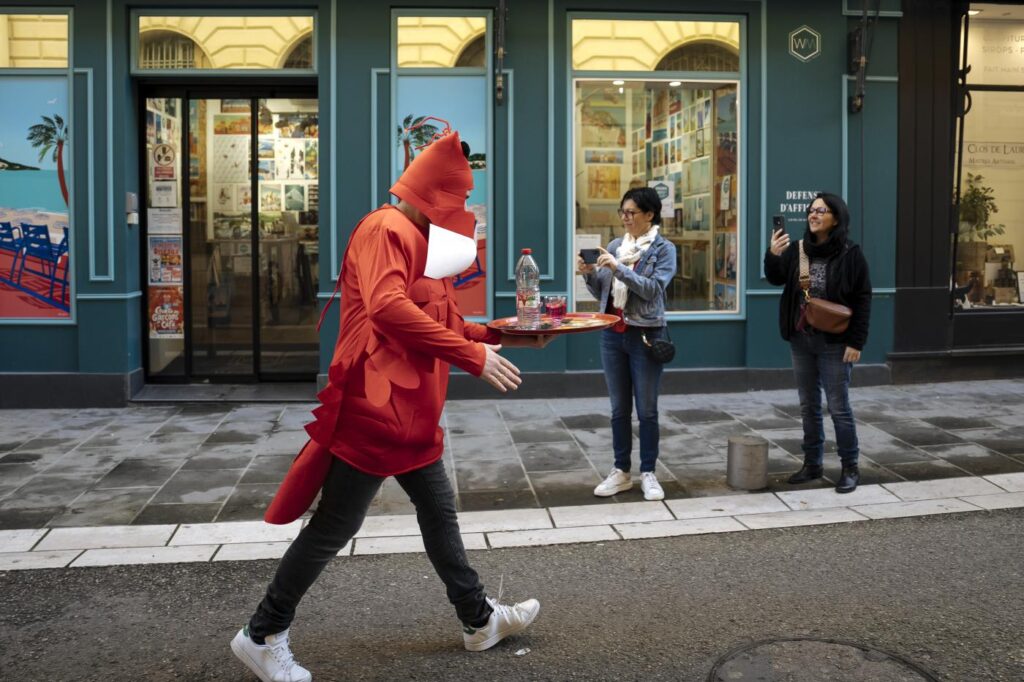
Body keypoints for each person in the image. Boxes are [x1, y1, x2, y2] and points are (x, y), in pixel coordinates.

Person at [231, 125, 546, 682]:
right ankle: (262, 633)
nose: (461, 213)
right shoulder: (385, 228)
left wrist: (504, 335)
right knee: (333, 527)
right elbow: (388, 309)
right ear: (431, 198)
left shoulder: (419, 239)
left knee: (438, 513)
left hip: (413, 415)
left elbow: (443, 321)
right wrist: (474, 359)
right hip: (374, 411)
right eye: (457, 201)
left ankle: (477, 621)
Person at [764, 192, 872, 494]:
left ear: (836, 218)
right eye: (811, 210)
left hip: (836, 342)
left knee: (838, 406)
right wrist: (772, 254)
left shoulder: (851, 253)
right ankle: (812, 463)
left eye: (821, 211)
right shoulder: (798, 249)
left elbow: (863, 299)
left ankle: (850, 466)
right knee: (808, 405)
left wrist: (856, 341)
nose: (813, 215)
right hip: (801, 339)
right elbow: (774, 278)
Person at [577, 187, 677, 501]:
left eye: (632, 212)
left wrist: (616, 267)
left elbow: (652, 290)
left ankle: (648, 472)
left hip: (646, 335)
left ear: (650, 215)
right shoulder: (616, 246)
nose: (625, 217)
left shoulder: (663, 249)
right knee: (619, 410)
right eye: (623, 211)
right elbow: (604, 295)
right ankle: (621, 471)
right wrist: (589, 274)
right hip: (612, 334)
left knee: (646, 410)